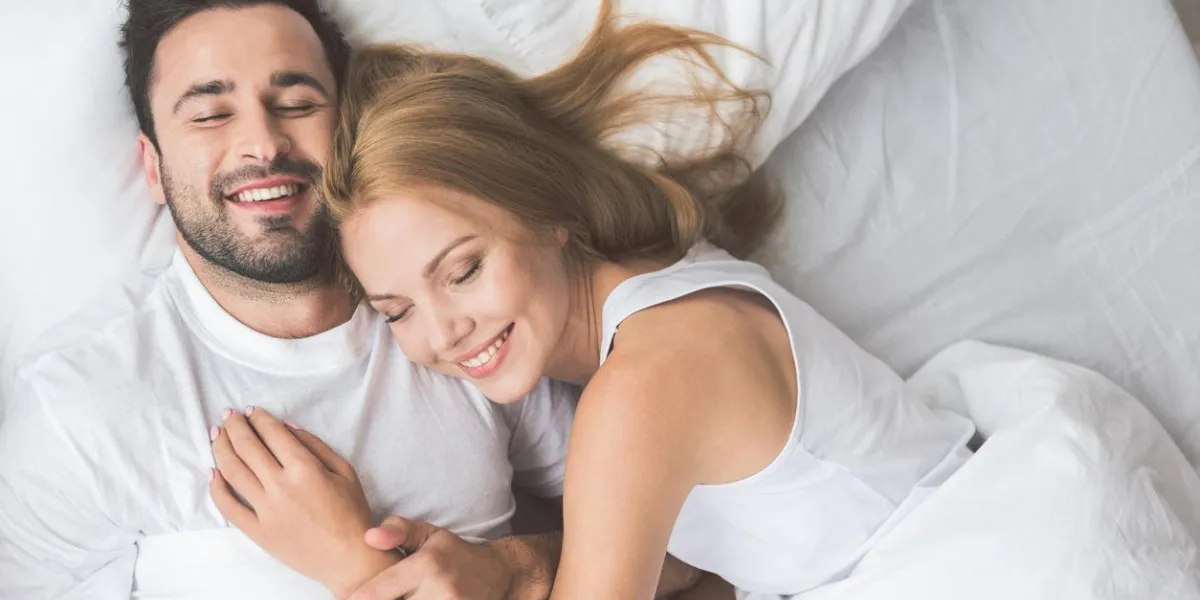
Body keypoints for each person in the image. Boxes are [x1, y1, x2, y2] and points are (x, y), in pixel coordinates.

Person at [209, 2, 978, 598]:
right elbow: (700, 558)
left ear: (547, 215)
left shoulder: (640, 389)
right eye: (397, 310)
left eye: (464, 269)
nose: (443, 333)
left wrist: (353, 564)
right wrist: (516, 567)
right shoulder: (648, 288)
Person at [0, 2, 711, 598]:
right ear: (153, 169)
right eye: (211, 114)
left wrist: (512, 565)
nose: (264, 143)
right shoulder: (77, 410)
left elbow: (695, 555)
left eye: (296, 102)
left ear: (345, 126)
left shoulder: (466, 323)